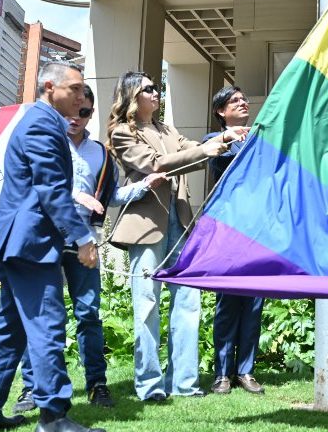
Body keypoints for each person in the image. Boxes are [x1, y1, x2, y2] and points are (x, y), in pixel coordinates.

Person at [0, 61, 106, 432]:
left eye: (82, 90)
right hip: (30, 244)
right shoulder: (42, 124)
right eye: (74, 89)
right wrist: (83, 238)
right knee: (47, 325)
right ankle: (53, 417)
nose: (81, 97)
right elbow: (52, 191)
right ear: (49, 87)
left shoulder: (43, 121)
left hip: (23, 243)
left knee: (8, 330)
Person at [12, 84, 166, 414]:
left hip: (84, 242)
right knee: (40, 315)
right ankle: (31, 387)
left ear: (91, 114)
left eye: (82, 112)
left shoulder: (101, 153)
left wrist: (143, 186)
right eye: (69, 111)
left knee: (89, 314)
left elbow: (112, 197)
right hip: (45, 237)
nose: (75, 117)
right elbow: (36, 184)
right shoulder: (48, 143)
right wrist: (74, 195)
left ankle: (97, 384)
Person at [106, 71, 247, 402]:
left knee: (188, 302)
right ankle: (149, 386)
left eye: (157, 88)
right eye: (148, 89)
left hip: (180, 222)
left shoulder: (168, 130)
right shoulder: (123, 132)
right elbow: (155, 163)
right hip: (145, 226)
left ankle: (184, 384)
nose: (156, 92)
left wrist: (225, 138)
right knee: (147, 306)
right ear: (132, 96)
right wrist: (210, 147)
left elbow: (193, 148)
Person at [204, 86, 264, 395]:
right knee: (227, 302)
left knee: (254, 303)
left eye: (244, 99)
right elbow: (223, 160)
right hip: (228, 230)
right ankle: (222, 373)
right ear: (221, 111)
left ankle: (246, 371)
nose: (243, 103)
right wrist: (232, 138)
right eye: (234, 101)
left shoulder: (261, 139)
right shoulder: (214, 141)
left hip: (258, 230)